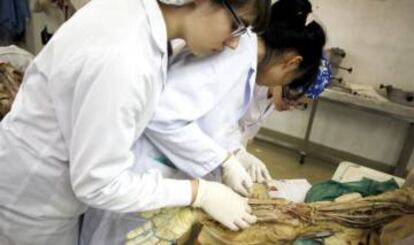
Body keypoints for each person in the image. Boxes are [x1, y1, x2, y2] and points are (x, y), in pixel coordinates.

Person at [0, 0, 270, 244]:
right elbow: (98, 183)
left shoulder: (139, 20)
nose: (234, 43)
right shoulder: (126, 56)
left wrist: (230, 155)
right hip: (33, 202)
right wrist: (199, 192)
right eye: (236, 26)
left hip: (39, 181)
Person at [80, 0, 327, 244]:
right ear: (292, 63)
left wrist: (235, 152)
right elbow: (164, 116)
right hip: (145, 177)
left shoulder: (243, 59)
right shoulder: (234, 54)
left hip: (165, 177)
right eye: (291, 80)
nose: (232, 40)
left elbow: (212, 118)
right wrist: (223, 161)